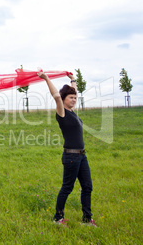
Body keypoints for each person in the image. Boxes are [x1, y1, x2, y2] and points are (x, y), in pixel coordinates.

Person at [37, 70, 97, 228]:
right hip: (71, 157)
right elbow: (57, 96)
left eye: (75, 98)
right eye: (71, 98)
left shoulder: (72, 112)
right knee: (67, 187)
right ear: (64, 100)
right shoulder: (62, 112)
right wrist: (46, 78)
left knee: (87, 186)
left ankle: (87, 220)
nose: (74, 99)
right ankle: (58, 219)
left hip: (82, 156)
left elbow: (73, 91)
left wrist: (73, 80)